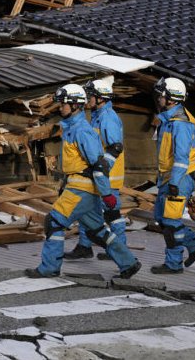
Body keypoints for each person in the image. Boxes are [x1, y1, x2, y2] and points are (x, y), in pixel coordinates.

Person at [25, 84, 141, 279]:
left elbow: (99, 165)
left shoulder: (82, 131)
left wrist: (107, 195)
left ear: (75, 106)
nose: (60, 107)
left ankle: (49, 268)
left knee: (53, 222)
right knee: (96, 231)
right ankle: (128, 263)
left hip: (82, 189)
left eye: (63, 104)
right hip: (79, 186)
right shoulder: (72, 128)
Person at [64, 78, 130, 261]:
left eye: (91, 96)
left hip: (108, 177)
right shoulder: (97, 116)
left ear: (101, 98)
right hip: (99, 176)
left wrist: (102, 168)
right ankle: (85, 247)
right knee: (89, 211)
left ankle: (119, 249)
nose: (88, 99)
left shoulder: (108, 118)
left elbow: (115, 147)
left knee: (112, 214)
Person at [150, 77, 195, 274]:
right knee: (161, 218)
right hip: (170, 177)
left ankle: (174, 264)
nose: (158, 99)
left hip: (180, 177)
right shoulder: (168, 119)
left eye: (161, 96)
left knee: (170, 221)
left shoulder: (180, 123)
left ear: (171, 99)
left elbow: (182, 157)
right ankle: (194, 244)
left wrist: (175, 183)